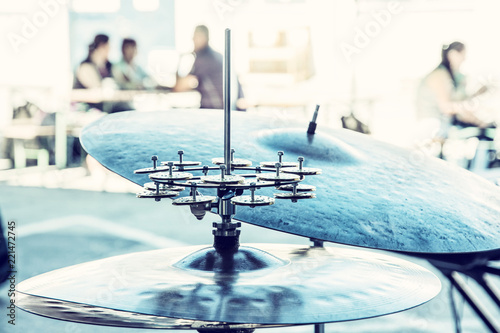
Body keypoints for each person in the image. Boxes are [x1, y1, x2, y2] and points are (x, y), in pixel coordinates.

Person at [416, 41, 490, 141]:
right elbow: (446, 107)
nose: (464, 59)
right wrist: (475, 117)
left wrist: (477, 94)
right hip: (432, 128)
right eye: (462, 55)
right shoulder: (440, 75)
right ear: (452, 54)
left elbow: (457, 102)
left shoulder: (450, 76)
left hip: (441, 127)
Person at [174, 25, 246, 110]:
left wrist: (180, 58)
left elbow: (179, 87)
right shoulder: (216, 56)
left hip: (216, 111)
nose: (193, 40)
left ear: (204, 38)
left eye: (196, 37)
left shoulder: (205, 60)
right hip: (228, 111)